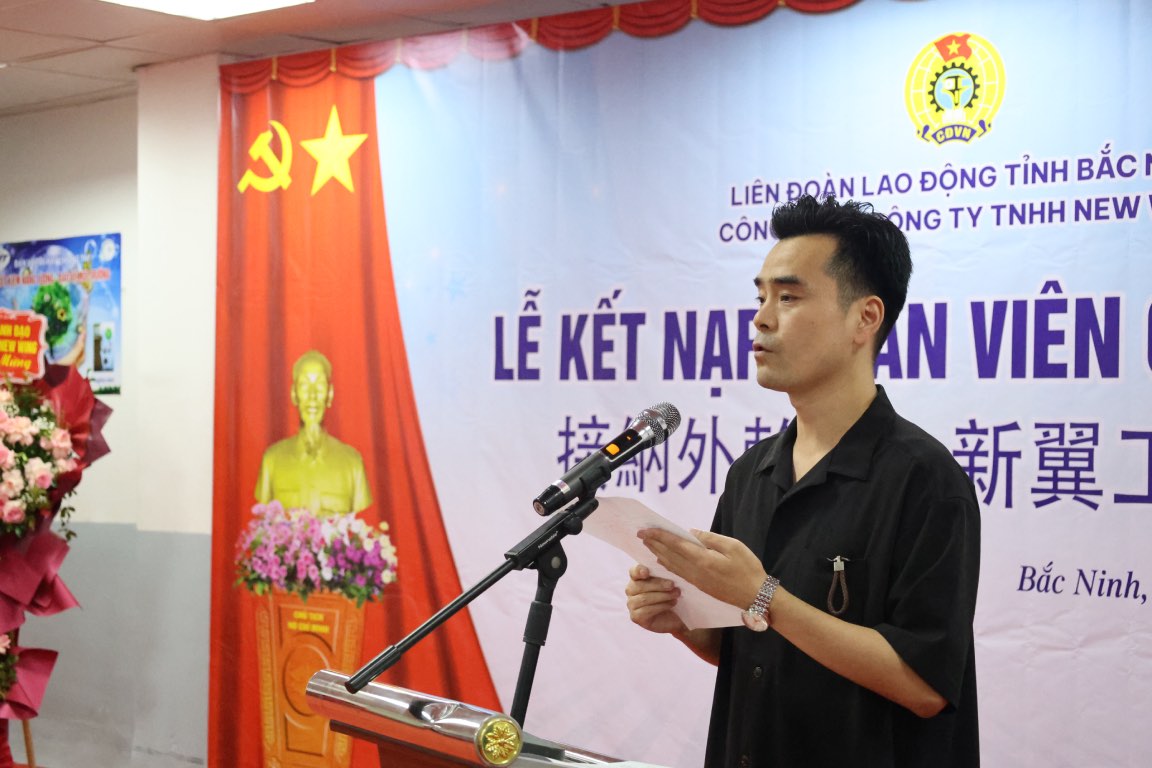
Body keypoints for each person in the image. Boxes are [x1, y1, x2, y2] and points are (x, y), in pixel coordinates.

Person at [626, 195, 980, 766]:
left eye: (788, 297)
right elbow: (747, 645)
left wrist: (763, 594)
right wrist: (682, 622)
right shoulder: (753, 471)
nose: (762, 317)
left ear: (865, 318)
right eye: (761, 296)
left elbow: (925, 685)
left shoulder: (924, 478)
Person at [254, 349, 372, 515]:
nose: (312, 395)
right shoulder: (272, 460)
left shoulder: (352, 463)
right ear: (294, 395)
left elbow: (361, 527)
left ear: (329, 395)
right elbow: (262, 528)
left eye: (320, 385)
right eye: (304, 385)